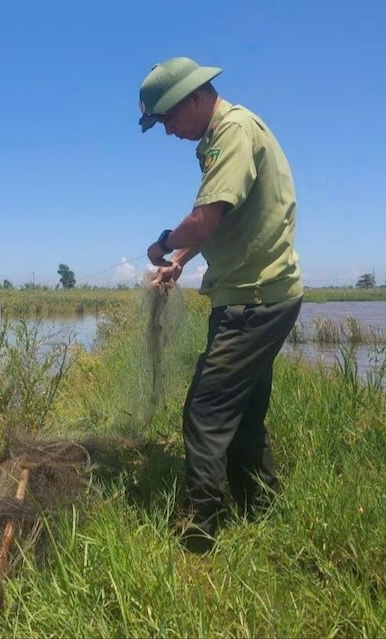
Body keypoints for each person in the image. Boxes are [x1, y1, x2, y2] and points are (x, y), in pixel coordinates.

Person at [138, 57, 303, 551]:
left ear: (194, 97)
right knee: (244, 414)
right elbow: (225, 219)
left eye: (167, 119)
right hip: (260, 295)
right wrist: (181, 262)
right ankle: (262, 508)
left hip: (252, 301)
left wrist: (164, 244)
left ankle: (201, 529)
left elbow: (205, 218)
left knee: (205, 412)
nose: (167, 131)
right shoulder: (220, 137)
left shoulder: (231, 132)